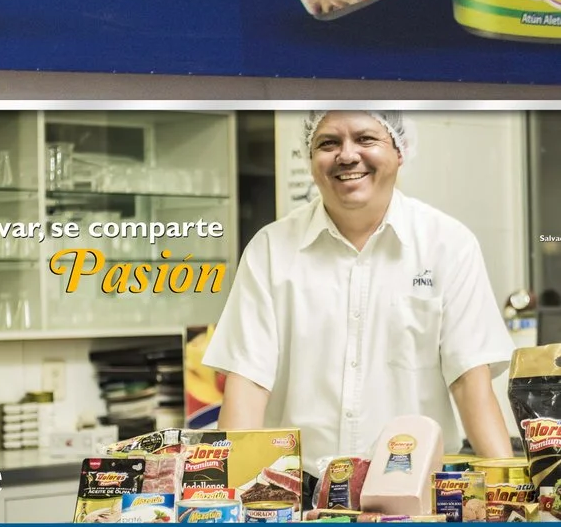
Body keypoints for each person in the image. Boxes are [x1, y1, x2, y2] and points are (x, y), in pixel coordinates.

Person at [205, 109, 513, 467]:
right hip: (297, 494)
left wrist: (508, 494)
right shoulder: (271, 249)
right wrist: (225, 499)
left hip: (417, 493)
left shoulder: (448, 244)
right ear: (310, 159)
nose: (347, 155)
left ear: (400, 151)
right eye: (328, 143)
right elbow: (248, 383)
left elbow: (469, 380)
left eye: (366, 139)